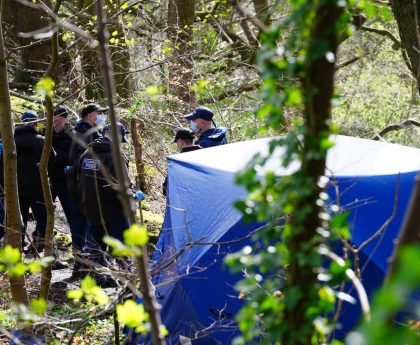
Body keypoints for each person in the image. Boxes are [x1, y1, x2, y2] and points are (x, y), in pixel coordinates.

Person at [77, 122, 131, 286]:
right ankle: (128, 281)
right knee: (121, 247)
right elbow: (124, 185)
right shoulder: (116, 156)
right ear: (119, 136)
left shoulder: (87, 153)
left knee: (95, 248)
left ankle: (97, 279)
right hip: (114, 210)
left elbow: (78, 180)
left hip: (91, 209)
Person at [67, 102, 107, 278]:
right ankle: (84, 266)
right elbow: (81, 166)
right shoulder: (86, 136)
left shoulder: (86, 133)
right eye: (99, 113)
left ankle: (82, 265)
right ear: (90, 116)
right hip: (83, 190)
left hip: (82, 189)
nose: (101, 117)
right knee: (85, 227)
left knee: (84, 227)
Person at [14, 110, 55, 253]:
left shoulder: (10, 141)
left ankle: (17, 253)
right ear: (36, 123)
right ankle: (48, 252)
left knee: (18, 221)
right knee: (44, 219)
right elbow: (52, 159)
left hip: (16, 189)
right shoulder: (41, 140)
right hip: (39, 188)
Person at [50, 105, 73, 226]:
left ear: (61, 117)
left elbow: (73, 158)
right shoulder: (48, 133)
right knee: (44, 212)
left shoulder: (72, 135)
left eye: (55, 115)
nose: (52, 117)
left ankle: (77, 243)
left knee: (71, 213)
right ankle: (40, 240)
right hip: (50, 179)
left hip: (66, 180)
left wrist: (54, 152)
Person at [162, 128, 201, 196]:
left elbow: (166, 189)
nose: (177, 145)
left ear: (180, 141)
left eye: (177, 142)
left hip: (186, 201)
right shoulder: (206, 154)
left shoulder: (176, 162)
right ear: (193, 140)